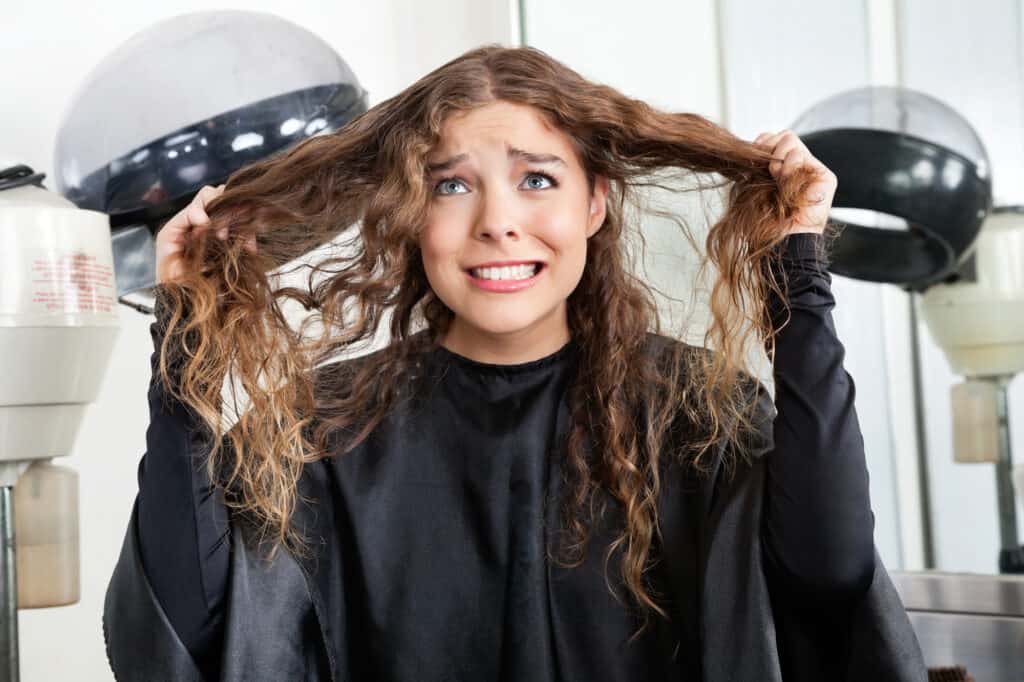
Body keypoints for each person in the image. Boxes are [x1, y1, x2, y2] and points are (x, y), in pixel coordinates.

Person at [103, 45, 925, 681]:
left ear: (596, 201)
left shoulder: (695, 410)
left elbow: (828, 577)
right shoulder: (322, 425)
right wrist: (187, 333)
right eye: (451, 187)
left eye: (537, 179)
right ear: (408, 212)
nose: (498, 222)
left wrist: (800, 277)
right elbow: (187, 625)